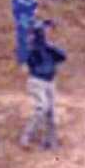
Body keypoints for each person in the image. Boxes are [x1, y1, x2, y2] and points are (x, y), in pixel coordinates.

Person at [20, 18, 67, 150]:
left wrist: (49, 45)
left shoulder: (49, 48)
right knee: (42, 107)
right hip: (37, 81)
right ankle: (26, 136)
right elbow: (28, 60)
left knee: (50, 111)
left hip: (49, 82)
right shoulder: (33, 49)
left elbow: (63, 56)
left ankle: (50, 141)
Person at [11, 0, 39, 66]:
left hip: (32, 21)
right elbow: (24, 7)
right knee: (23, 42)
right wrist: (30, 6)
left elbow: (34, 4)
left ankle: (35, 60)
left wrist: (32, 7)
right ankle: (23, 62)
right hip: (22, 22)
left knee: (34, 40)